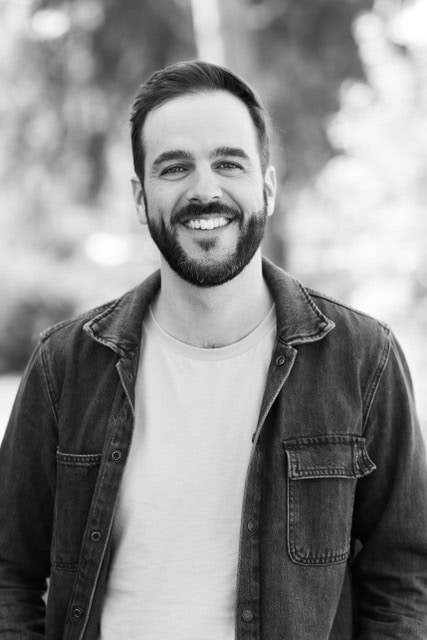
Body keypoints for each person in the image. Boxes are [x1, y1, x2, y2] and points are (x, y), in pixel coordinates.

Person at [0, 60, 426, 640]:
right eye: (175, 167)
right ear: (139, 196)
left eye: (229, 163)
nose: (205, 190)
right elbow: (9, 571)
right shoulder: (66, 365)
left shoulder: (362, 359)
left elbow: (406, 577)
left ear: (267, 187)